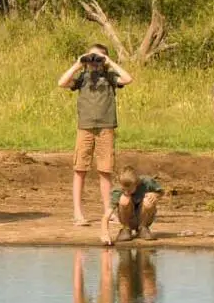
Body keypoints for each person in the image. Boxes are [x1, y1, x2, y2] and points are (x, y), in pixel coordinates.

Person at [59, 44, 133, 227]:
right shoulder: (82, 77)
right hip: (85, 127)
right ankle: (78, 213)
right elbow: (61, 83)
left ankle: (109, 211)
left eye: (98, 59)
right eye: (92, 58)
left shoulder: (109, 76)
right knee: (80, 169)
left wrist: (109, 62)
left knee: (105, 171)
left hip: (105, 127)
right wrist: (78, 64)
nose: (94, 62)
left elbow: (128, 79)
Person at [101, 166, 163, 245]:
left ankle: (143, 228)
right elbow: (106, 216)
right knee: (124, 199)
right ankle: (126, 229)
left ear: (137, 184)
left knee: (148, 200)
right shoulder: (117, 190)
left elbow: (161, 192)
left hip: (145, 217)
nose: (126, 192)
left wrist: (155, 194)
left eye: (129, 190)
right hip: (129, 218)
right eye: (124, 189)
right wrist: (105, 234)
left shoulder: (147, 182)